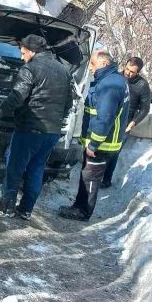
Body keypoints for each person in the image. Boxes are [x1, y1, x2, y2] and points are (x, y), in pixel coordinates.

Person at [0, 34, 75, 220]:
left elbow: (16, 98)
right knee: (37, 168)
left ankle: (6, 205)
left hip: (29, 129)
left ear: (32, 51)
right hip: (52, 132)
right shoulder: (64, 71)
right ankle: (25, 209)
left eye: (23, 52)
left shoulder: (30, 69)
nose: (21, 56)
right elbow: (68, 103)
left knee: (14, 167)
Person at [58, 51, 129, 222]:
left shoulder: (110, 85)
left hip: (101, 144)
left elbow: (104, 118)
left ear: (104, 63)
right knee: (86, 175)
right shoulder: (113, 80)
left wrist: (93, 144)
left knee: (90, 179)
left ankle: (83, 212)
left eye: (92, 64)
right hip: (103, 142)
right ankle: (78, 206)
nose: (90, 68)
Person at [101, 56, 151, 188]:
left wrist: (133, 123)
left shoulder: (142, 85)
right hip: (110, 116)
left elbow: (145, 108)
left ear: (138, 73)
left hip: (125, 122)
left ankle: (106, 179)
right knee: (101, 146)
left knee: (114, 151)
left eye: (132, 72)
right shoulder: (117, 77)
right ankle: (95, 174)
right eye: (127, 69)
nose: (127, 73)